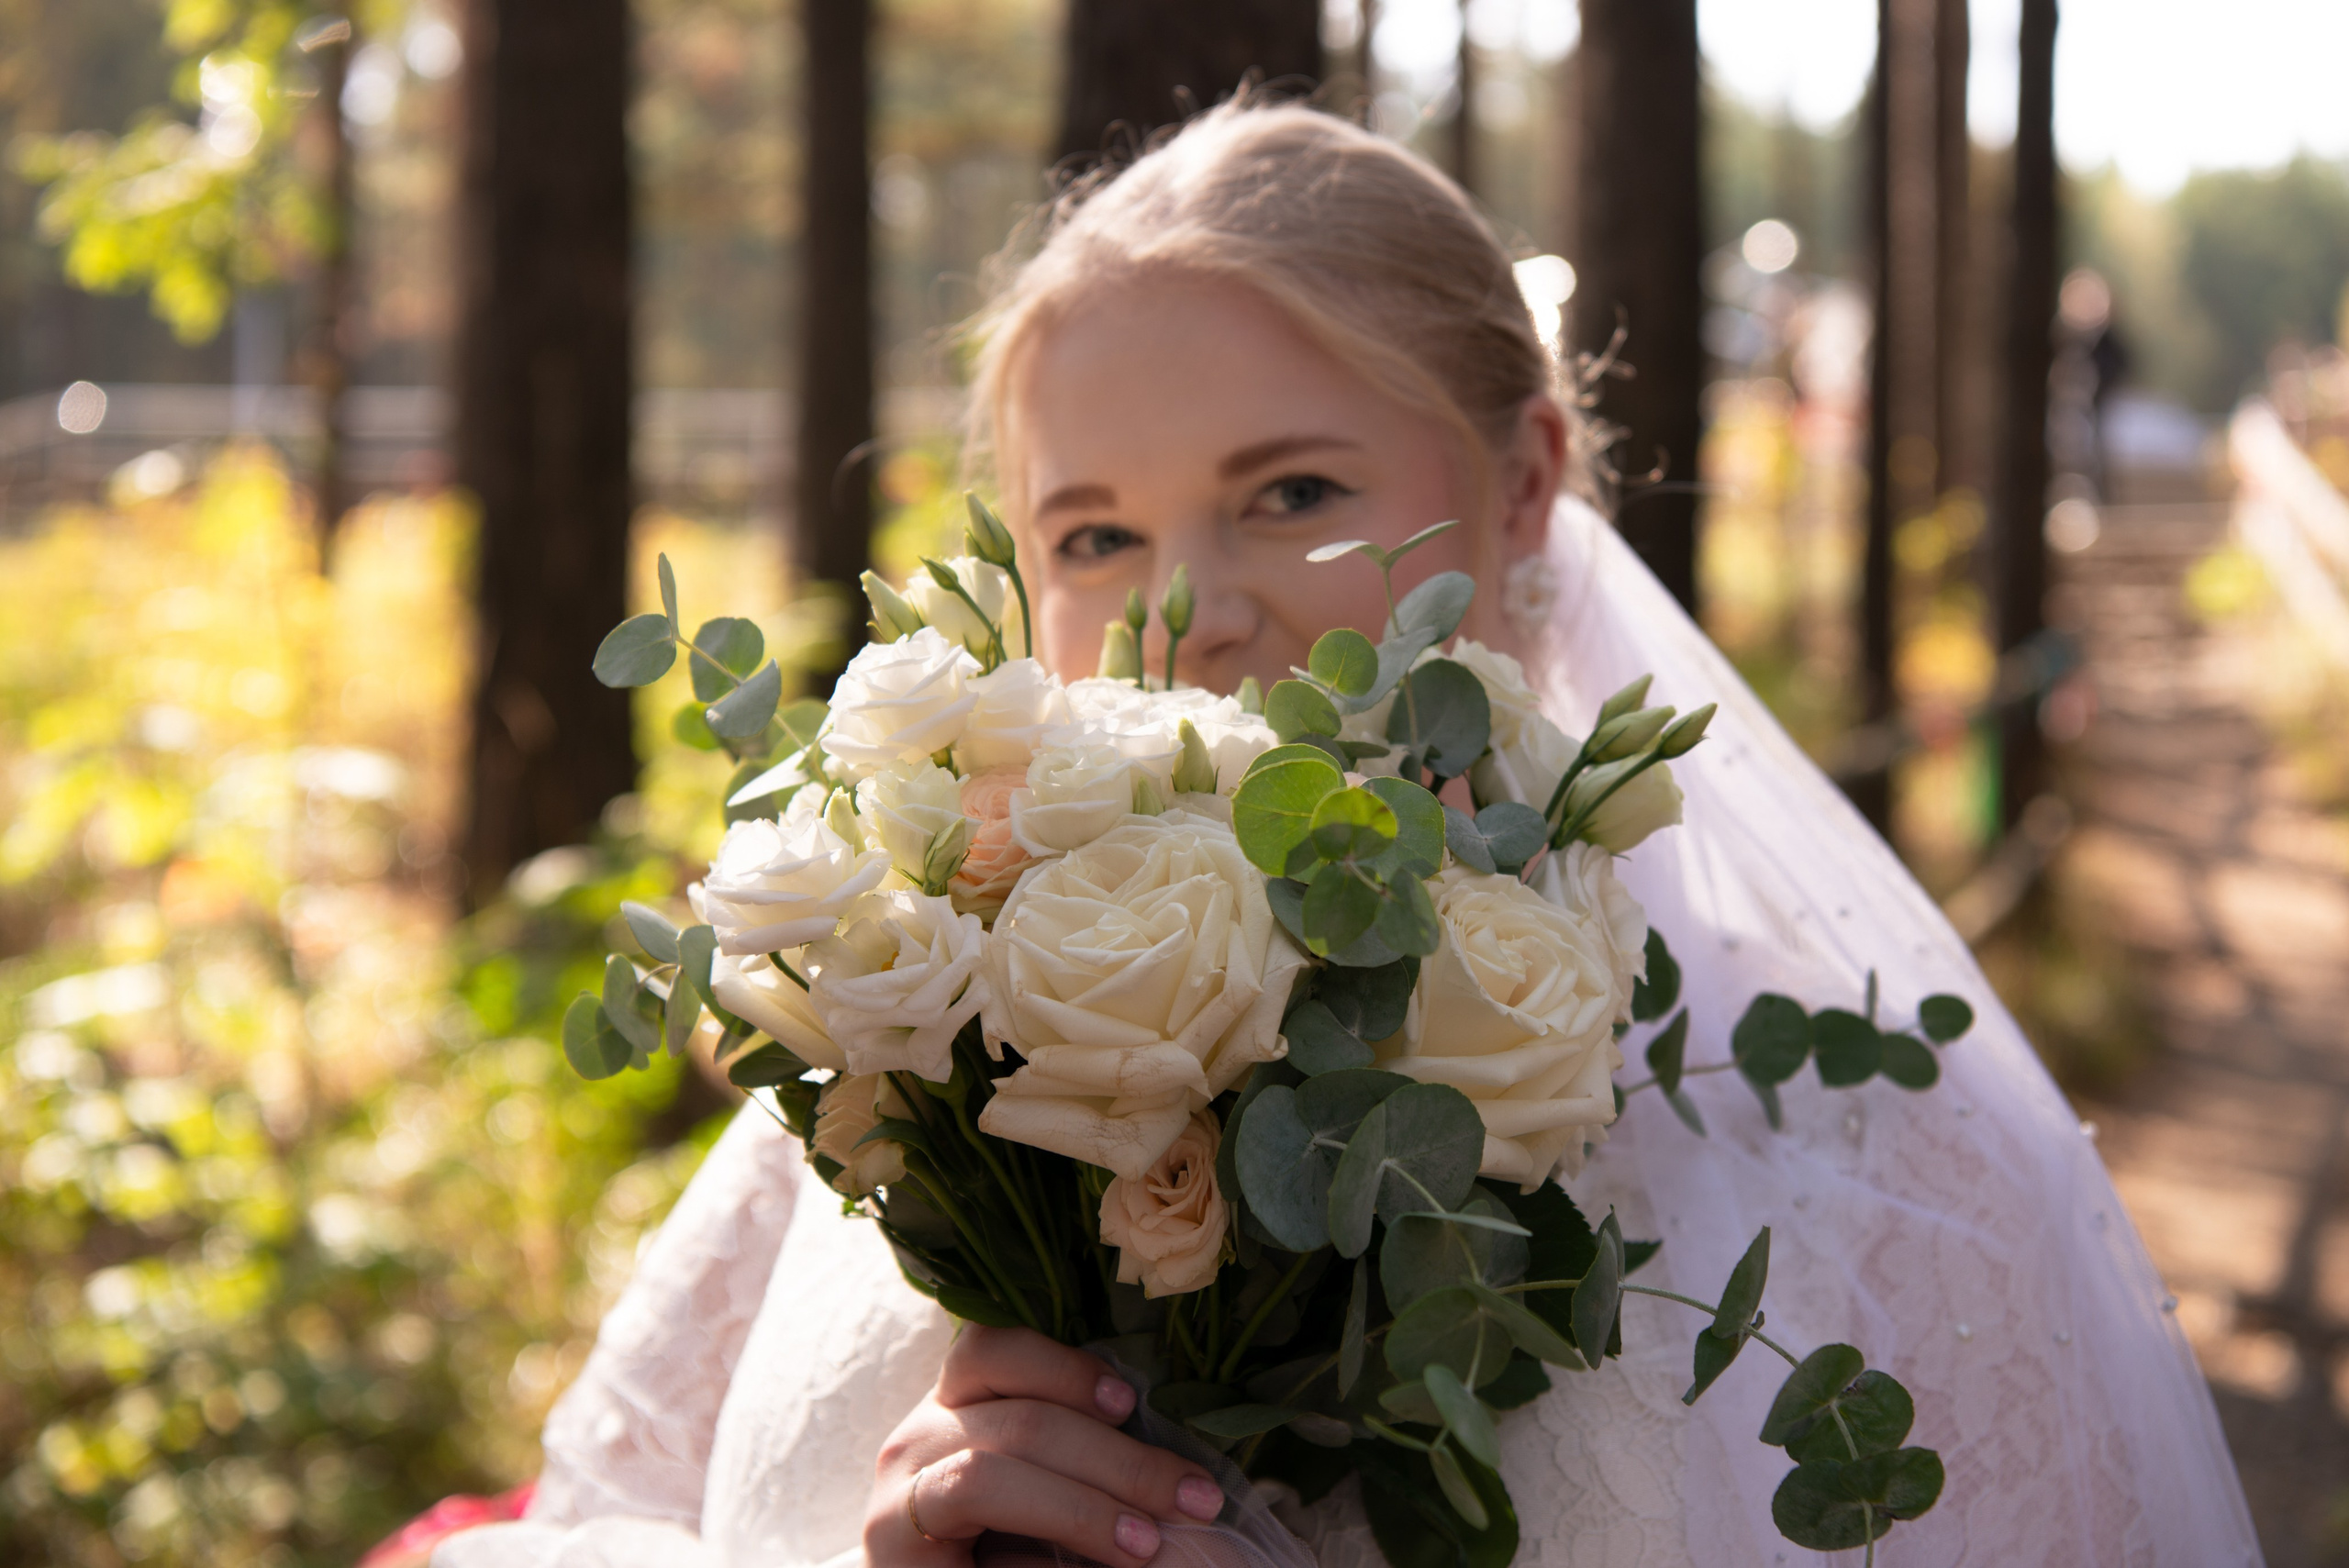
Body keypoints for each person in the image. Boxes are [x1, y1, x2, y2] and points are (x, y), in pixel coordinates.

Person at [435, 102, 2259, 1568]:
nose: (1185, 615)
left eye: (1291, 491)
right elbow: (594, 1520)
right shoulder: (905, 1085)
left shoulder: (1883, 1166)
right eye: (1093, 536)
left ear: (1523, 481)